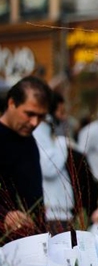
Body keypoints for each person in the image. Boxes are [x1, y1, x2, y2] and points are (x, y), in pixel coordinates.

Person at [0, 76, 51, 240]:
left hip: (28, 242)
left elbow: (35, 198)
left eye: (41, 116)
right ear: (12, 103)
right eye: (29, 114)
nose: (35, 122)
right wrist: (5, 215)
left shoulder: (30, 143)